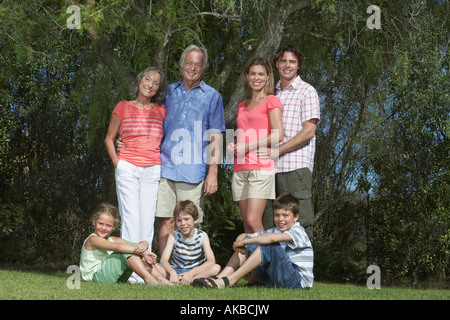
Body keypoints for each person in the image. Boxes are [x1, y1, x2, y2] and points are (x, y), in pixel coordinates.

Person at [155, 45, 226, 255]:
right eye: (189, 63)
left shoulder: (212, 96)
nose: (192, 68)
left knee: (188, 224)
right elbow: (151, 121)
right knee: (167, 220)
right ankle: (163, 269)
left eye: (198, 64)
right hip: (165, 166)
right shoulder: (167, 93)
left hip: (193, 170)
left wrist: (213, 171)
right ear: (181, 65)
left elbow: (215, 135)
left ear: (203, 68)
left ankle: (186, 268)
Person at [105, 66, 167, 283]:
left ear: (158, 88)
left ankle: (145, 271)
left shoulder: (161, 110)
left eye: (155, 82)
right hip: (128, 168)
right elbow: (109, 139)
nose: (150, 84)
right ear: (140, 81)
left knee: (146, 220)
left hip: (152, 169)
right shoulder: (123, 106)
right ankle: (132, 271)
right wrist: (117, 163)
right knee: (131, 218)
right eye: (147, 79)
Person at [260, 45, 320, 241]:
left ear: (299, 66)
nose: (287, 65)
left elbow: (309, 131)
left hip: (295, 168)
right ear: (277, 64)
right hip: (269, 170)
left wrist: (280, 150)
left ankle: (301, 272)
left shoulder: (307, 91)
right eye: (284, 61)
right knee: (270, 226)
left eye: (292, 61)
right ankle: (273, 271)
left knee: (299, 228)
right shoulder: (270, 94)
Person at [193, 193, 314, 289]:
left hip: (297, 283)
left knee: (268, 246)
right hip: (277, 279)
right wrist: (241, 239)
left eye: (285, 215)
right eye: (276, 215)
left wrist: (245, 242)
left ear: (295, 217)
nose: (280, 219)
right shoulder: (276, 230)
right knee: (252, 245)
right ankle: (219, 278)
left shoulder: (298, 231)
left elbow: (271, 238)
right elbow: (247, 236)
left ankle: (229, 281)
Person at [227, 57, 284, 233]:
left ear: (268, 77)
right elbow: (245, 132)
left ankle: (274, 260)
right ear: (247, 75)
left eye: (261, 74)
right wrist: (235, 145)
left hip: (260, 167)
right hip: (240, 167)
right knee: (246, 225)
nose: (256, 78)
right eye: (252, 73)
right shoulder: (242, 105)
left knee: (253, 221)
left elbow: (278, 134)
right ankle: (255, 261)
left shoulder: (271, 101)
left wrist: (248, 146)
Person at [80, 203, 172, 286]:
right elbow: (118, 247)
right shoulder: (93, 239)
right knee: (126, 251)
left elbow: (134, 245)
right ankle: (150, 280)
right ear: (93, 221)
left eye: (108, 225)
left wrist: (144, 244)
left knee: (132, 250)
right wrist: (144, 252)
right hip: (95, 278)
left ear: (114, 226)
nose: (104, 228)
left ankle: (161, 279)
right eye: (100, 224)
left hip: (113, 278)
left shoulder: (112, 239)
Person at [160, 200, 221, 285]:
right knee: (153, 266)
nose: (183, 223)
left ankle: (190, 280)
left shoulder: (202, 236)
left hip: (195, 272)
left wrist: (190, 273)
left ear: (195, 219)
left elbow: (211, 261)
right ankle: (182, 280)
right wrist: (172, 273)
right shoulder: (173, 235)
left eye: (186, 219)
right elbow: (164, 260)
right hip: (176, 271)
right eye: (179, 220)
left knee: (216, 268)